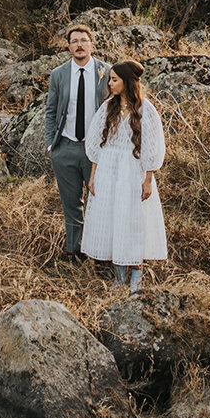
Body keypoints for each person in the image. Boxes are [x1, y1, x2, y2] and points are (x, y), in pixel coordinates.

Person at [80, 60, 167, 291]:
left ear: (127, 82)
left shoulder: (145, 109)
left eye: (114, 79)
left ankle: (136, 276)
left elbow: (152, 146)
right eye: (109, 78)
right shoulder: (109, 107)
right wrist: (93, 175)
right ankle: (119, 275)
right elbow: (97, 143)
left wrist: (148, 179)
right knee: (112, 219)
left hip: (132, 171)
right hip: (109, 169)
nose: (109, 83)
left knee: (133, 221)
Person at [45, 23, 110, 260]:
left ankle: (100, 253)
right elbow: (50, 111)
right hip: (66, 148)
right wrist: (51, 145)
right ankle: (74, 253)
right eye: (75, 41)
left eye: (84, 40)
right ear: (69, 46)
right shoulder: (58, 74)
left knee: (99, 204)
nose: (79, 45)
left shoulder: (107, 71)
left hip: (97, 151)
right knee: (72, 205)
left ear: (92, 44)